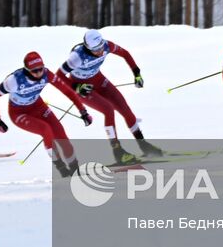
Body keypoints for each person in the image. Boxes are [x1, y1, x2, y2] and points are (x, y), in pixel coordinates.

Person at [54, 29, 163, 163]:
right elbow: (58, 75)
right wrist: (76, 87)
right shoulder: (77, 57)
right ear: (87, 48)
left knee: (125, 108)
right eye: (95, 50)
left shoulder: (106, 46)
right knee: (108, 110)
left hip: (99, 80)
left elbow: (125, 54)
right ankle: (117, 151)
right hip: (82, 88)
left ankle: (143, 145)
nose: (100, 51)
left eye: (100, 47)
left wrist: (137, 73)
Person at [0, 52, 93, 177]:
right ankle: (61, 167)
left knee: (61, 134)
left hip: (38, 106)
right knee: (46, 129)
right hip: (19, 113)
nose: (39, 73)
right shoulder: (14, 81)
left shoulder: (46, 74)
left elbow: (67, 91)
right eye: (35, 71)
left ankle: (74, 167)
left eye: (41, 69)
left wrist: (83, 111)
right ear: (27, 70)